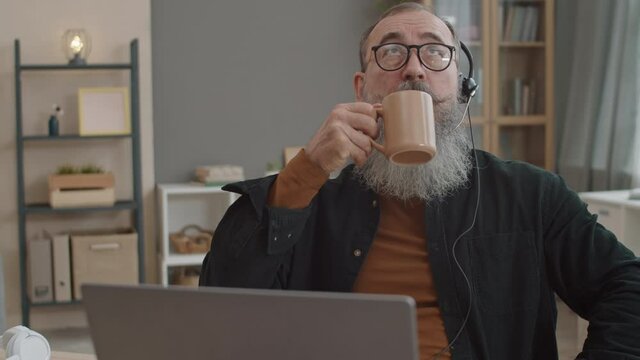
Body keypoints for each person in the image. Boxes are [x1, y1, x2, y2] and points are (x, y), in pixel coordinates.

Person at [200, 3, 640, 359]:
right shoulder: (315, 196)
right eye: (391, 52)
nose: (413, 69)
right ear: (362, 87)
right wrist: (308, 167)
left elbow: (627, 288)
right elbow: (221, 308)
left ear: (463, 87)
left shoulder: (532, 195)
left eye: (434, 52)